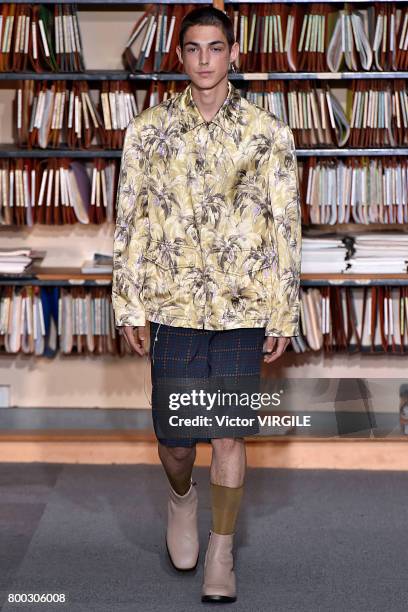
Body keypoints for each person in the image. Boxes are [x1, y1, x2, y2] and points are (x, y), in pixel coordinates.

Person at [112, 5, 301, 604]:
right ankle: (181, 497)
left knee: (228, 433)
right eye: (192, 49)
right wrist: (128, 304)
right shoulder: (146, 131)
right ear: (180, 55)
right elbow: (129, 223)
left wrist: (283, 311)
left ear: (234, 52)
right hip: (172, 304)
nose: (203, 60)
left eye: (215, 48)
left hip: (245, 306)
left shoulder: (268, 132)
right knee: (175, 437)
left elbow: (286, 227)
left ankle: (222, 553)